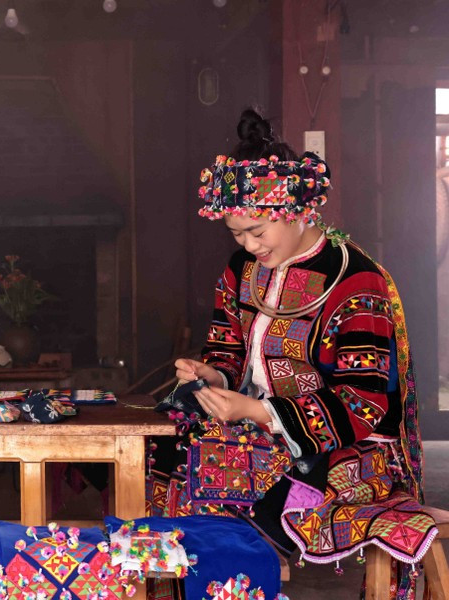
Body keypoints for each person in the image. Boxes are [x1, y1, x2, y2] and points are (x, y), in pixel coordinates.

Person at [147, 109, 434, 599]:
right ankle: (175, 584)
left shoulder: (355, 280)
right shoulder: (242, 269)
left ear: (299, 212)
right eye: (236, 233)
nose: (248, 244)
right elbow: (227, 349)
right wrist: (213, 376)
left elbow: (367, 403)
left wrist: (260, 411)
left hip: (341, 448)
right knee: (159, 440)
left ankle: (235, 583)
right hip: (253, 426)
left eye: (258, 231)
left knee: (215, 465)